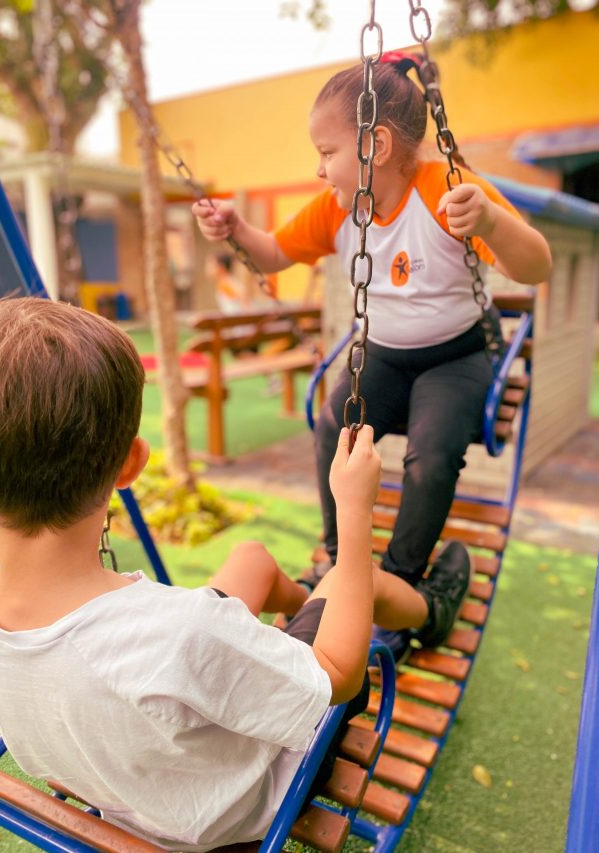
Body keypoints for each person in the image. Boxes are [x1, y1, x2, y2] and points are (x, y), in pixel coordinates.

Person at [0, 296, 472, 851]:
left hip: (123, 772)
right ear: (130, 464)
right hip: (244, 802)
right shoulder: (183, 632)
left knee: (251, 560)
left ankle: (298, 624)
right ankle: (432, 612)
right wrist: (354, 513)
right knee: (349, 577)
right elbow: (339, 678)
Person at [192, 52, 552, 662]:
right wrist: (235, 230)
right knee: (336, 423)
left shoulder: (446, 186)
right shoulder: (339, 206)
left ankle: (401, 578)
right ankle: (339, 559)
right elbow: (275, 253)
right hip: (384, 352)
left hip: (456, 355)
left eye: (327, 152)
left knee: (432, 454)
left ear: (376, 145)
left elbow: (535, 266)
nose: (318, 168)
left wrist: (489, 219)